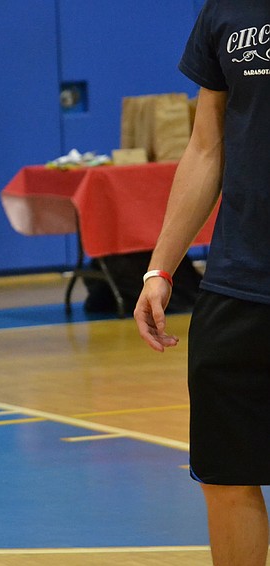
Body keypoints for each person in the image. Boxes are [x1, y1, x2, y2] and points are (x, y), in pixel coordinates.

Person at [133, 2, 270, 564]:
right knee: (227, 476)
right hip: (237, 285)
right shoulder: (227, 11)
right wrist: (160, 268)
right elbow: (206, 146)